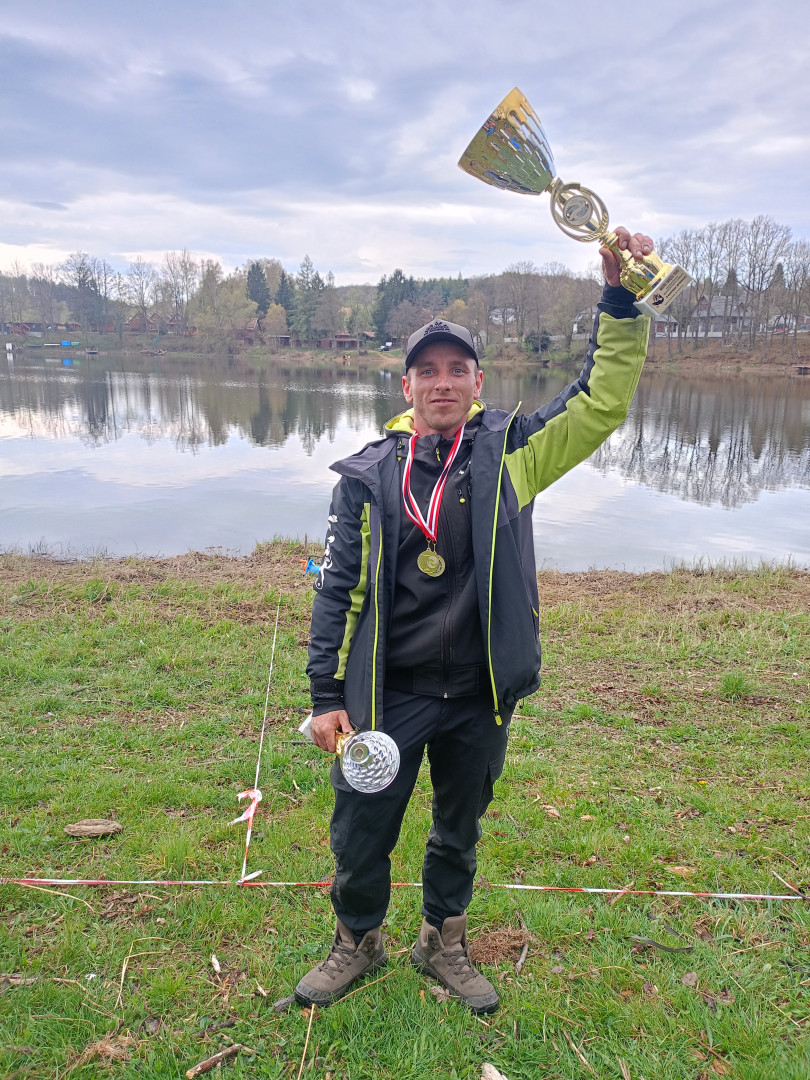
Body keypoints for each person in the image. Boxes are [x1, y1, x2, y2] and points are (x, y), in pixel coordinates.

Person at [296, 228, 653, 1013]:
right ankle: (357, 940)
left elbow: (598, 402)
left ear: (478, 381)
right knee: (361, 828)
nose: (442, 382)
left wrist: (620, 303)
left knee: (458, 829)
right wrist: (325, 692)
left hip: (479, 693)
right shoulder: (367, 476)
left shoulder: (512, 454)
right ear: (406, 386)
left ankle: (442, 940)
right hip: (388, 694)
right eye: (427, 370)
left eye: (457, 369)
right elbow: (339, 589)